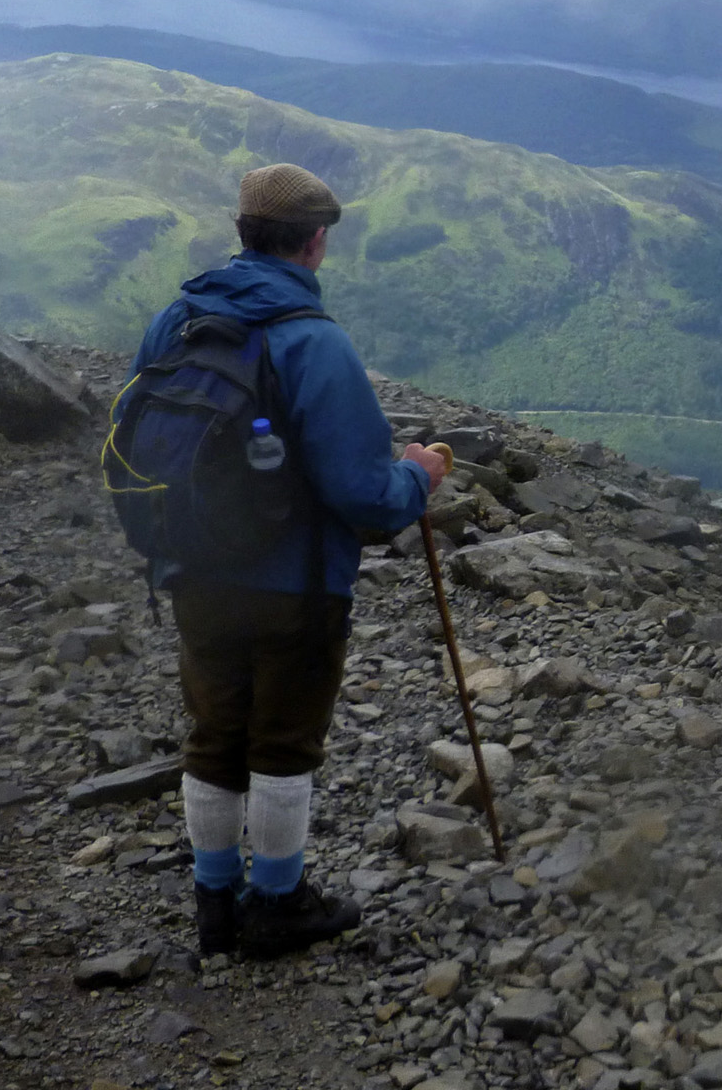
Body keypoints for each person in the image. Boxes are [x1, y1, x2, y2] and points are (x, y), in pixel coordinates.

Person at [124, 163, 450, 959]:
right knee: (281, 742)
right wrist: (420, 475)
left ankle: (213, 903)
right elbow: (367, 500)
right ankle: (275, 906)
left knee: (213, 732)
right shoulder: (315, 342)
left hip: (191, 568)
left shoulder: (178, 319)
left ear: (244, 233)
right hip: (293, 586)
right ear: (315, 242)